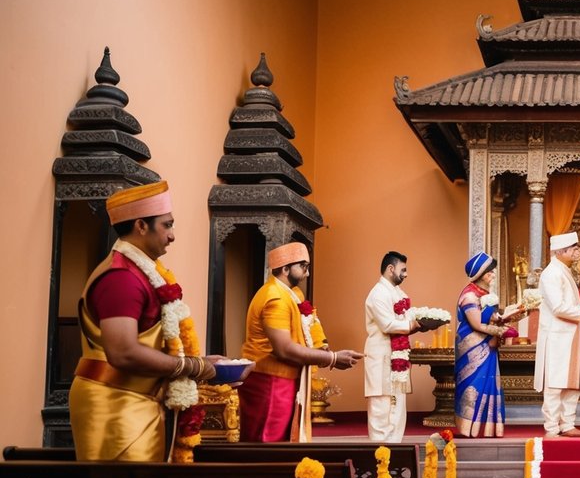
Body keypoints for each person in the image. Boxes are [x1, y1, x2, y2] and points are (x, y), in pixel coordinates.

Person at [69, 181, 220, 460]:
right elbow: (123, 352)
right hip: (114, 402)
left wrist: (207, 364)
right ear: (141, 225)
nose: (173, 235)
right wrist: (193, 367)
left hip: (140, 400)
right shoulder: (121, 278)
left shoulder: (143, 271)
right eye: (167, 225)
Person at [240, 242, 362, 442]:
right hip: (269, 382)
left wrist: (321, 346)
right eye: (303, 266)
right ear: (285, 268)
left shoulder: (293, 294)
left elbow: (307, 327)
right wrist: (331, 358)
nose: (307, 273)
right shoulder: (275, 298)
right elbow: (284, 349)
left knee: (285, 441)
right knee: (266, 444)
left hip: (284, 380)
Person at [364, 251, 437, 442]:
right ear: (390, 269)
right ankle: (380, 458)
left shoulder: (398, 293)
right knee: (382, 410)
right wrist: (413, 325)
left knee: (397, 411)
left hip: (398, 358)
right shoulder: (377, 293)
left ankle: (394, 453)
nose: (406, 274)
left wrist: (425, 322)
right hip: (381, 359)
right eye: (403, 270)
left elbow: (408, 319)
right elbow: (388, 325)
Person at [533, 232, 580, 438]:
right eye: (574, 248)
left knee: (571, 381)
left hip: (570, 334)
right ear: (561, 251)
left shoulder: (564, 270)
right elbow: (559, 307)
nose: (578, 252)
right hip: (557, 335)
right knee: (555, 383)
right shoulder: (552, 273)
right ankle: (552, 427)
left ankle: (567, 423)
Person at [455, 252, 519, 438]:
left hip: (487, 344)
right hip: (471, 345)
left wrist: (507, 316)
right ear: (481, 274)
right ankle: (469, 429)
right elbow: (476, 324)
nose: (493, 274)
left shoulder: (485, 294)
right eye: (490, 271)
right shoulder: (469, 296)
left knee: (489, 381)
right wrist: (500, 331)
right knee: (475, 382)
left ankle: (487, 429)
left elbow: (491, 318)